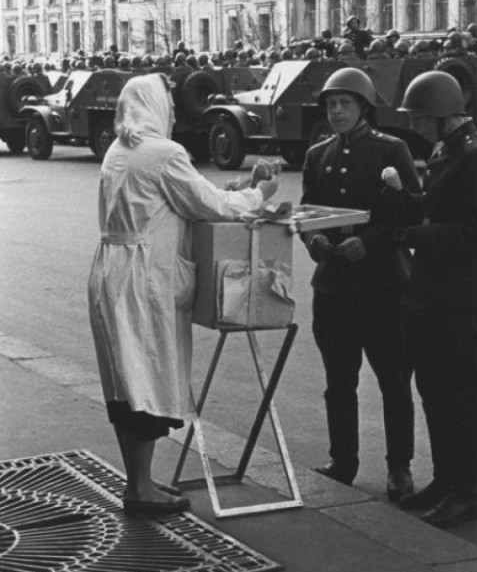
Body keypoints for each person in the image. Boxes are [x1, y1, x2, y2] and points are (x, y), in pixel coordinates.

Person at [87, 74, 278, 518]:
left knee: (126, 382)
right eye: (168, 103)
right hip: (144, 279)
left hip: (114, 271)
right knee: (147, 378)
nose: (173, 110)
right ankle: (140, 490)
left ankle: (138, 480)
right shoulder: (163, 153)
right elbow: (209, 206)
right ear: (155, 106)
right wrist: (260, 193)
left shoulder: (120, 149)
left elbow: (183, 199)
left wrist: (234, 191)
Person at [384, 70, 477, 528]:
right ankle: (445, 481)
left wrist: (423, 235)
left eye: (419, 117)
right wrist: (406, 204)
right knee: (435, 390)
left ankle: (465, 493)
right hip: (435, 292)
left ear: (441, 115)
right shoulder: (446, 149)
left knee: (461, 395)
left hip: (464, 294)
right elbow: (440, 208)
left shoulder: (476, 156)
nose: (414, 126)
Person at [301, 67, 420, 501]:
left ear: (364, 107)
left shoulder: (392, 150)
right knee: (338, 381)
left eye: (345, 104)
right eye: (331, 105)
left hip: (384, 286)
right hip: (333, 288)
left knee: (393, 381)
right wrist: (312, 238)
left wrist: (368, 244)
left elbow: (409, 213)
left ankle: (399, 469)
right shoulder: (318, 155)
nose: (336, 112)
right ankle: (343, 461)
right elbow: (308, 211)